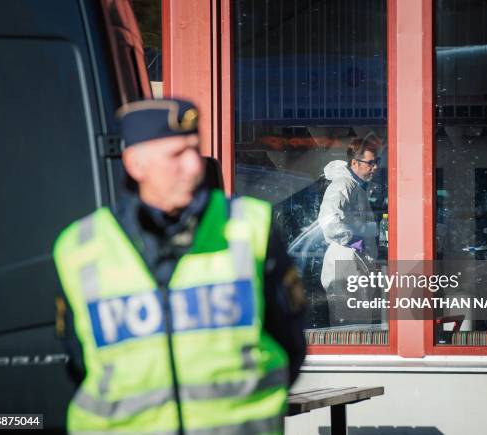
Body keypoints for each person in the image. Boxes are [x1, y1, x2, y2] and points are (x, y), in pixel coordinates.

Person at [53, 98, 306, 435]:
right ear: (135, 164)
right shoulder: (81, 247)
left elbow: (290, 341)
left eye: (194, 149)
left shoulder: (249, 226)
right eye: (176, 155)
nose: (193, 166)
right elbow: (77, 361)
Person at [317, 137, 380, 326]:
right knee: (350, 331)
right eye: (371, 163)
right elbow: (329, 220)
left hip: (352, 264)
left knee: (357, 327)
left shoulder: (355, 187)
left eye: (376, 162)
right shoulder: (342, 185)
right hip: (345, 265)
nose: (375, 167)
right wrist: (354, 240)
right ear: (354, 163)